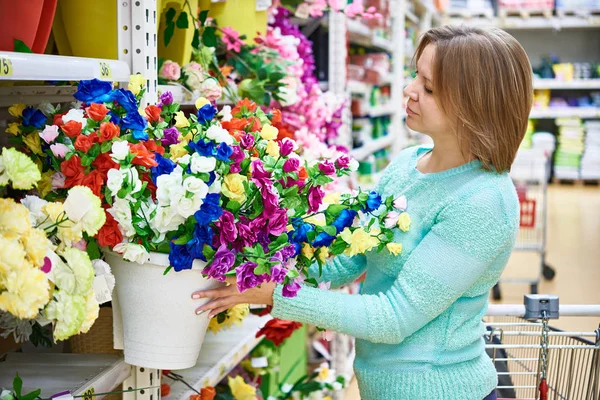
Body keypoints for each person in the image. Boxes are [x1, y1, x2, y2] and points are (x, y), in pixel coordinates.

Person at [192, 25, 533, 400]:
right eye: (415, 75)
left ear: (476, 105)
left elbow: (393, 318)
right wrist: (262, 247)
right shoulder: (408, 165)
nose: (408, 90)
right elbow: (348, 260)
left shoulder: (482, 203)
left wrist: (276, 294)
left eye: (429, 87)